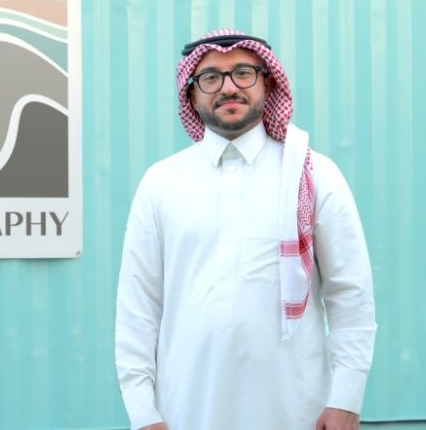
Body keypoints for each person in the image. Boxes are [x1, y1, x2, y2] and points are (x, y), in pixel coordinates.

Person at [114, 29, 376, 430]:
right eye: (210, 77)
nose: (228, 87)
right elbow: (139, 307)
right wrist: (143, 413)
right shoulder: (161, 182)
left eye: (242, 73)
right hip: (186, 409)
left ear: (267, 83)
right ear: (191, 94)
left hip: (297, 410)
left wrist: (346, 400)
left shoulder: (313, 174)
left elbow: (351, 295)